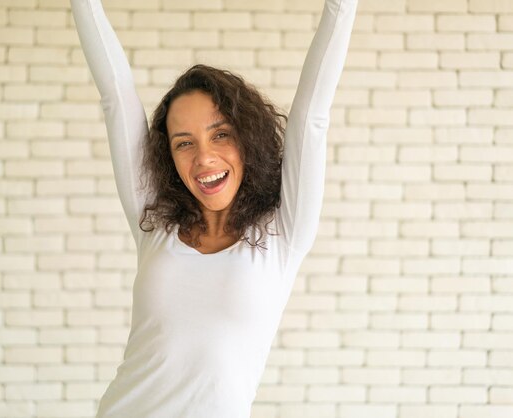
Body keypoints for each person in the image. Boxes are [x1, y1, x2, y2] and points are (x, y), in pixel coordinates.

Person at [71, 0, 358, 416]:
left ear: (247, 139)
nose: (203, 158)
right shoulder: (155, 224)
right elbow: (115, 96)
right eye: (184, 142)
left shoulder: (283, 234)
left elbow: (312, 117)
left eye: (220, 135)